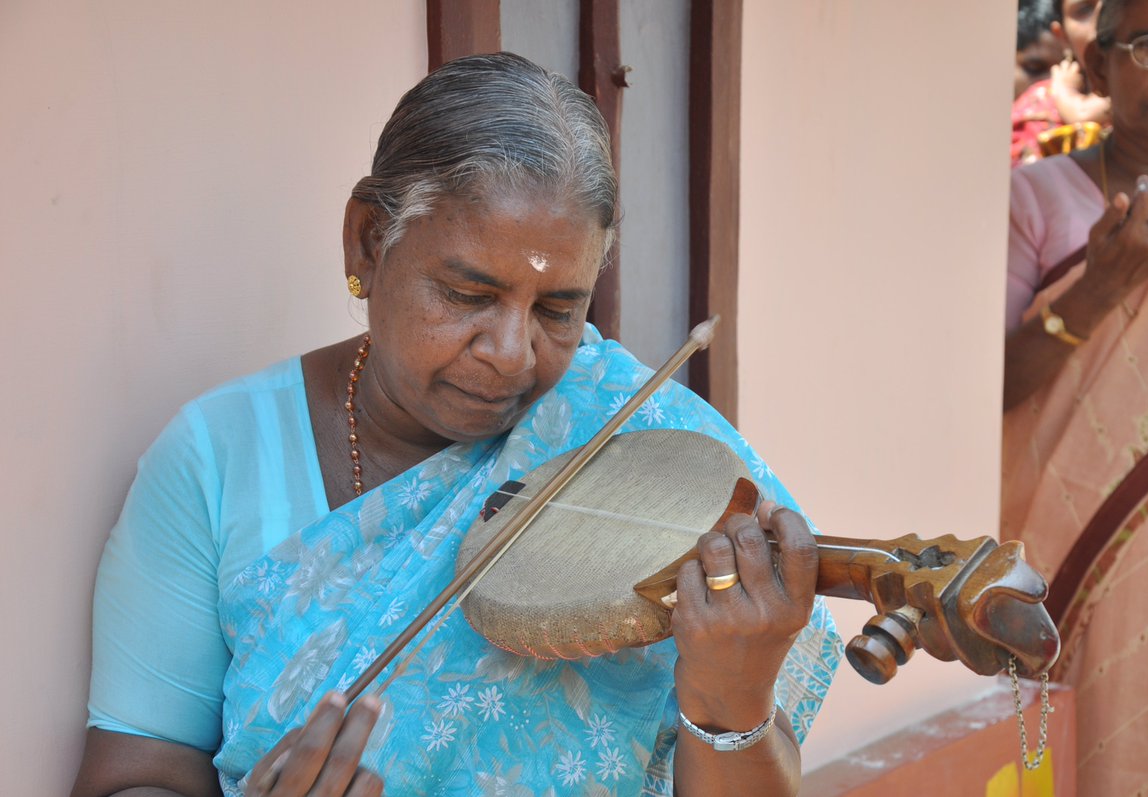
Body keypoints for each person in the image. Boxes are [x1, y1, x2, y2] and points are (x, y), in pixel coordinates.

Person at [69, 52, 841, 797]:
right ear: (369, 242)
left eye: (557, 309)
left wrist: (731, 702)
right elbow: (136, 773)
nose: (511, 354)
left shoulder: (638, 439)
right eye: (468, 295)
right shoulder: (217, 460)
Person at [1001, 1, 1148, 794]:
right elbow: (992, 386)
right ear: (1096, 67)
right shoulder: (1036, 200)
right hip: (1089, 552)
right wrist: (1097, 292)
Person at [1011, 0, 1112, 167]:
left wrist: (1067, 93)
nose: (1103, 16)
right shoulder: (1037, 109)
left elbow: (1082, 113)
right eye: (1085, 9)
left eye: (1116, 4)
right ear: (1062, 35)